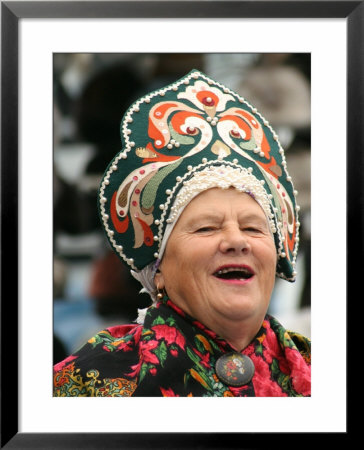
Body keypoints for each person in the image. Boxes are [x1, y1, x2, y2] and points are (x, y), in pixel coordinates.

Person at [53, 69, 310, 397]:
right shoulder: (89, 384)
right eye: (206, 228)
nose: (237, 241)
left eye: (253, 228)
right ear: (156, 270)